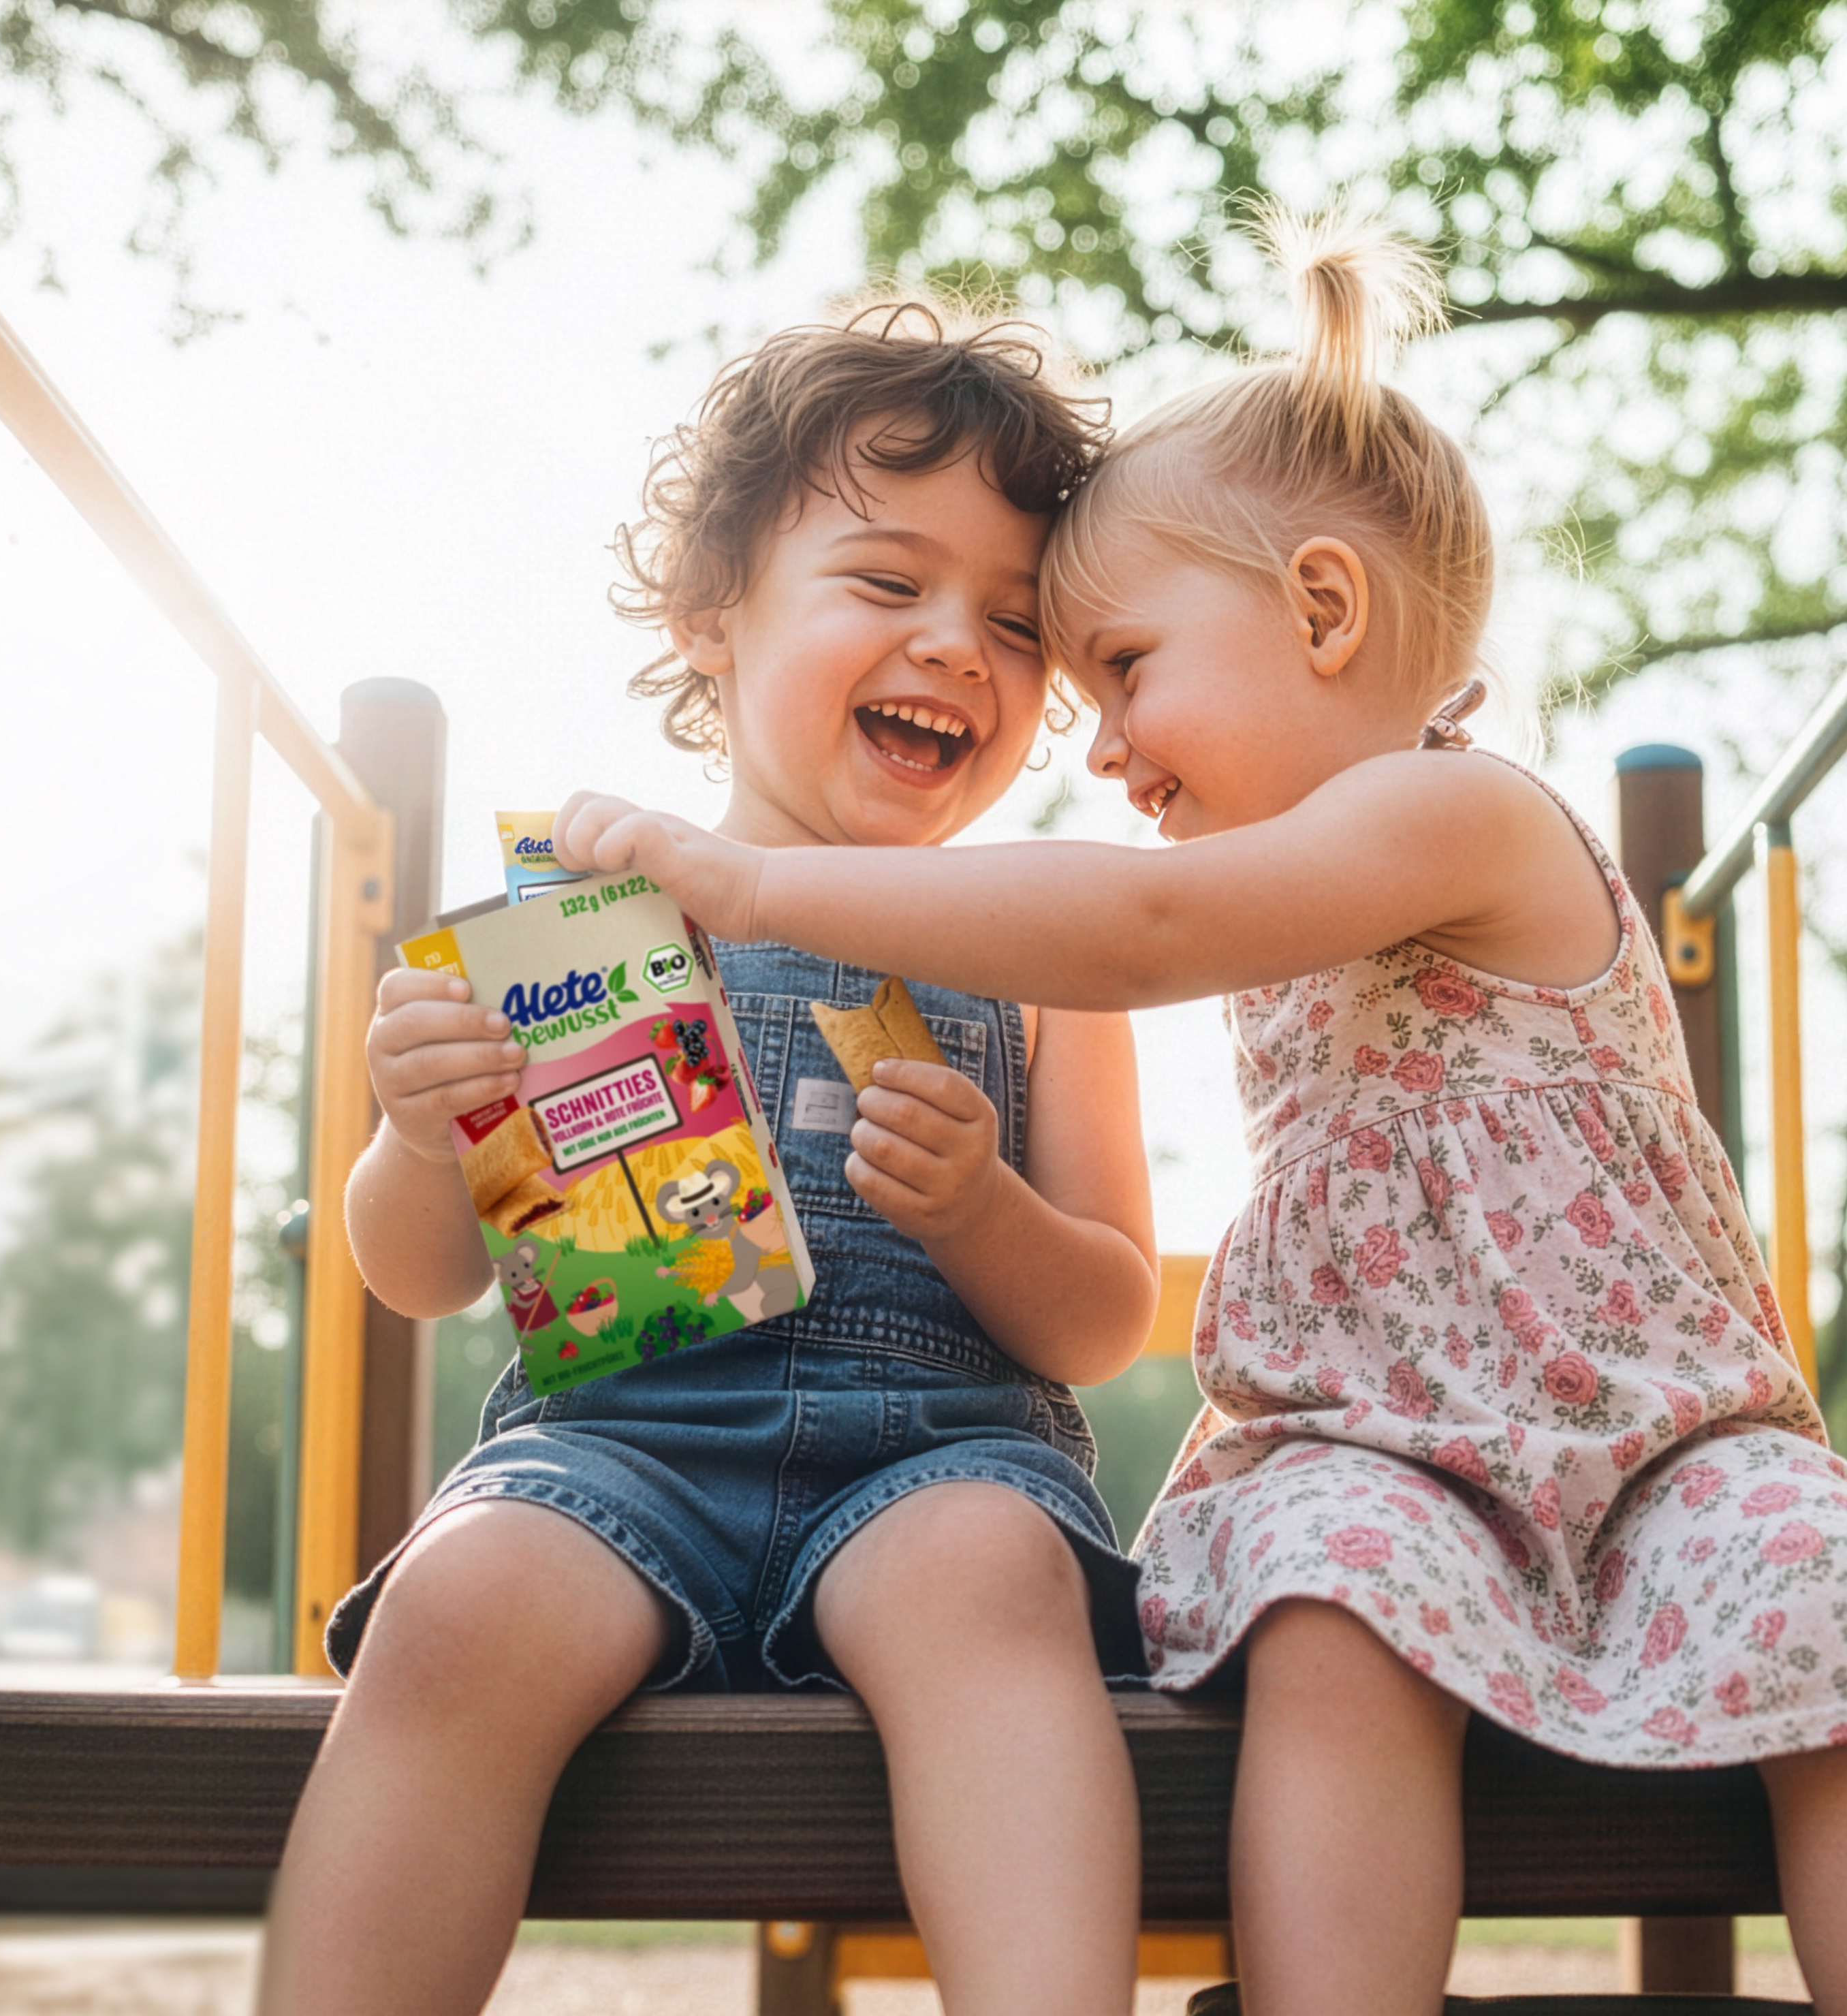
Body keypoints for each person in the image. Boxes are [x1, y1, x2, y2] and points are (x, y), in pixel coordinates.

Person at [555, 214, 1847, 2016]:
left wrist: (753, 887)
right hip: (1372, 1456)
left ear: (1318, 608)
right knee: (1332, 1604)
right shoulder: (1272, 906)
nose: (1100, 743)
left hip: (1665, 1441)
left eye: (1117, 668)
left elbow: (1128, 926)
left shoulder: (1448, 819)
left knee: (1837, 1591)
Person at [261, 301, 1162, 2016]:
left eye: (1013, 619)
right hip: (618, 1451)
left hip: (937, 1462)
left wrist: (980, 1210)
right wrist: (417, 1132)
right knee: (454, 1607)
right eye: (888, 587)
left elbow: (1103, 1317)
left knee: (989, 1579)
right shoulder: (578, 925)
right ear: (710, 624)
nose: (955, 645)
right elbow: (420, 1273)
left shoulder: (1038, 946)